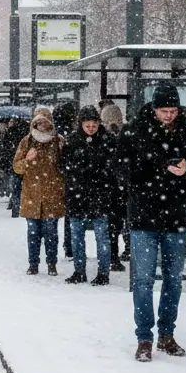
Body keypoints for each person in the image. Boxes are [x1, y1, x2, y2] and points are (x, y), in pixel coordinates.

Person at [117, 82, 186, 362]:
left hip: (176, 215)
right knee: (143, 280)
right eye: (164, 110)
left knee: (174, 280)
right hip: (144, 215)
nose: (169, 115)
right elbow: (120, 167)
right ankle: (144, 336)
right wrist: (150, 173)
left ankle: (167, 334)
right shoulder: (134, 130)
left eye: (173, 110)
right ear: (154, 108)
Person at [63, 106, 117, 285]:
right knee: (78, 236)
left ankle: (103, 273)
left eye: (94, 125)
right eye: (88, 125)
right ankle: (79, 271)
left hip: (98, 195)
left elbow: (112, 167)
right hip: (79, 195)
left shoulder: (107, 140)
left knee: (101, 236)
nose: (91, 128)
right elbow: (65, 166)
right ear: (81, 124)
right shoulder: (72, 141)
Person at [13, 114, 66, 276]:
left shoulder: (58, 141)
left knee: (51, 232)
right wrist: (27, 160)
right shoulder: (27, 141)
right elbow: (16, 167)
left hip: (52, 194)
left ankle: (51, 263)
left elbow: (65, 166)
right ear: (34, 124)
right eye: (39, 123)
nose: (42, 126)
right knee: (33, 233)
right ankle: (33, 263)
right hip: (32, 195)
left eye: (45, 123)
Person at [101, 103, 129, 269]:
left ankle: (113, 256)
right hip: (123, 186)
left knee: (113, 225)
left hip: (111, 187)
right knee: (125, 222)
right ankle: (125, 251)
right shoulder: (126, 135)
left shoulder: (104, 138)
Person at [53, 100, 79, 258]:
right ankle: (70, 245)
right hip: (71, 177)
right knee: (71, 214)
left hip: (59, 176)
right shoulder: (73, 133)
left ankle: (65, 245)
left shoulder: (56, 132)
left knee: (59, 214)